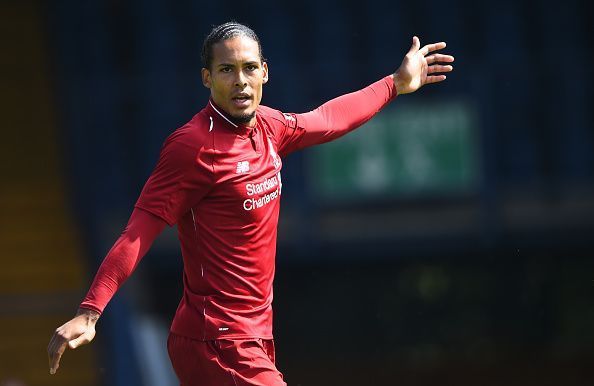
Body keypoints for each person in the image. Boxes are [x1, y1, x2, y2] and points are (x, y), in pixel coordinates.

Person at [47, 21, 454, 385]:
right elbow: (139, 230)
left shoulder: (270, 127)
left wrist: (395, 84)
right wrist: (90, 310)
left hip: (251, 336)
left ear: (264, 73)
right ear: (207, 78)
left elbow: (328, 119)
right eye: (226, 70)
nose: (239, 80)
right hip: (217, 341)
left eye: (248, 68)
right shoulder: (191, 147)